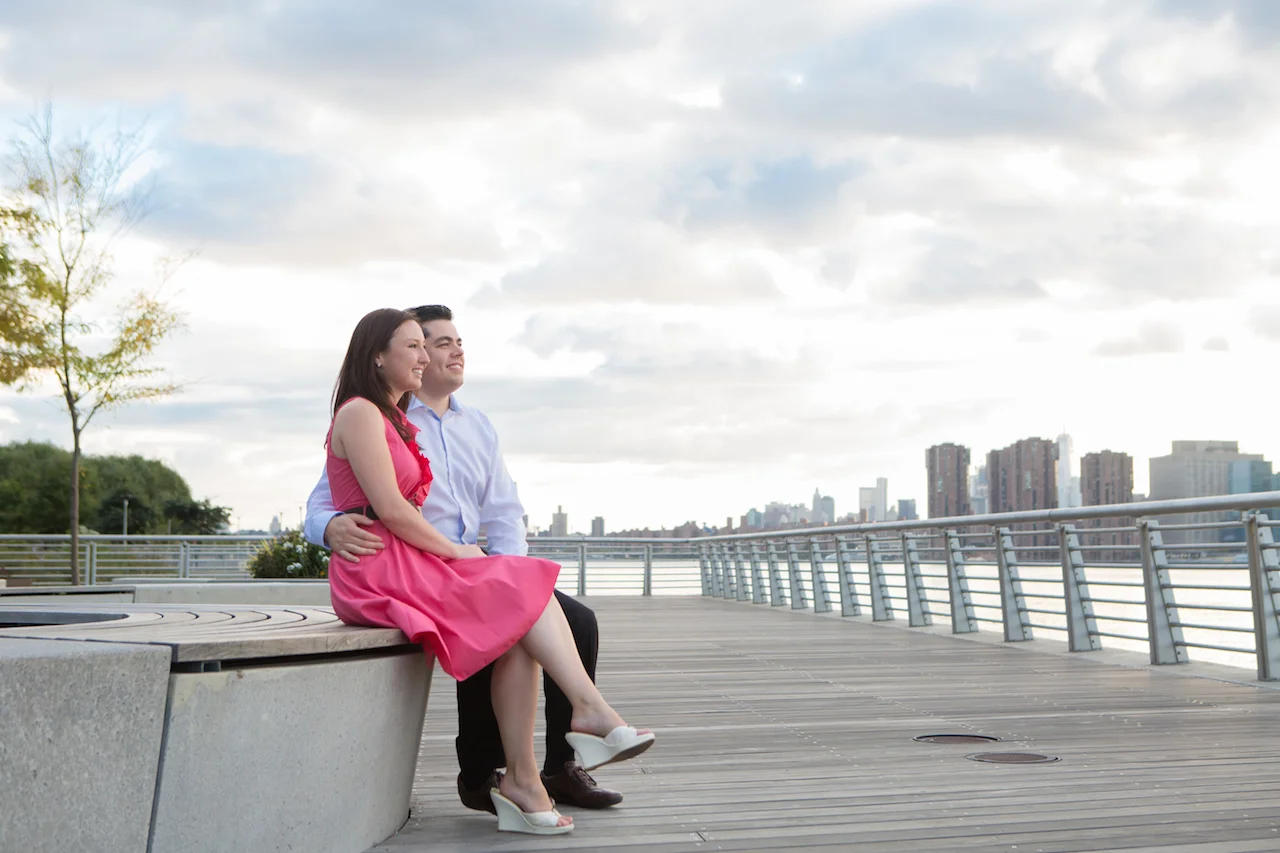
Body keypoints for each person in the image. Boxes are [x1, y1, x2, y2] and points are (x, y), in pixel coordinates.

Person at [319, 308, 653, 835]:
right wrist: (330, 526)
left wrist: (507, 566)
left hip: (433, 560)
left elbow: (503, 511)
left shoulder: (453, 424)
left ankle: (536, 776)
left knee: (548, 610)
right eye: (423, 345)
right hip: (398, 564)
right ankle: (506, 761)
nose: (439, 354)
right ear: (379, 355)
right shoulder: (369, 415)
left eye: (447, 343)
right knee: (510, 609)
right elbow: (357, 502)